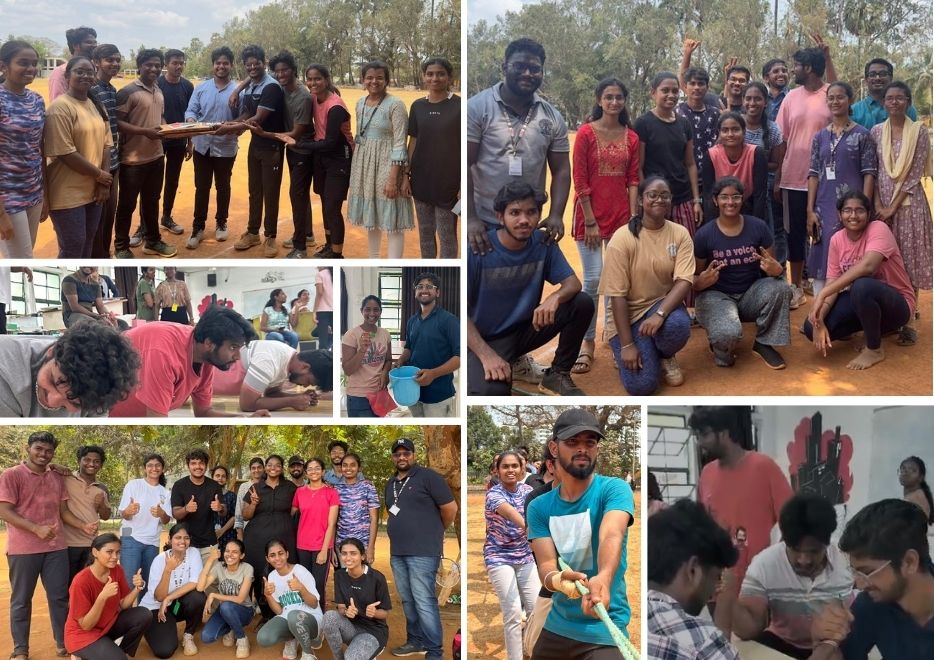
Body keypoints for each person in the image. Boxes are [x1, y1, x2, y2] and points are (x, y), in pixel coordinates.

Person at [526, 408, 635, 659]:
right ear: (554, 449)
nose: (582, 448)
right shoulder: (539, 507)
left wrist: (603, 579)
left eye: (590, 442)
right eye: (572, 442)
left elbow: (611, 534)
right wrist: (557, 581)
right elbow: (545, 565)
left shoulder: (614, 489)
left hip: (603, 627)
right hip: (557, 626)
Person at [467, 182, 593, 396]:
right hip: (486, 340)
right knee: (493, 392)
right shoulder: (478, 250)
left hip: (525, 330)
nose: (524, 220)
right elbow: (459, 315)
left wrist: (554, 297)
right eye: (515, 213)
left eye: (531, 212)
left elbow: (573, 284)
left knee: (581, 303)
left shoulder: (542, 242)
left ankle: (557, 374)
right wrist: (487, 356)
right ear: (500, 217)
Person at [466, 37, 570, 256]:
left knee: (525, 284)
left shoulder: (552, 117)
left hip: (528, 225)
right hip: (485, 226)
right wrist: (470, 218)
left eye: (535, 68)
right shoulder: (477, 108)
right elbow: (463, 164)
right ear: (504, 67)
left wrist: (556, 215)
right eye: (519, 66)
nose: (527, 73)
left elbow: (561, 170)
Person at [598, 176, 694, 394]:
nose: (659, 200)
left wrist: (659, 314)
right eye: (652, 195)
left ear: (671, 200)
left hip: (661, 306)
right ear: (640, 200)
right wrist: (627, 345)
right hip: (627, 317)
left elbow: (684, 281)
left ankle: (665, 354)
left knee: (678, 326)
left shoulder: (680, 233)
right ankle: (643, 349)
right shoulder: (622, 239)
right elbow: (617, 296)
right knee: (642, 386)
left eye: (664, 195)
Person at [0, 431, 92, 659]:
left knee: (59, 597)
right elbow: (3, 510)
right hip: (23, 550)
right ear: (27, 448)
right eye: (38, 448)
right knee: (21, 600)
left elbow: (63, 512)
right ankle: (20, 649)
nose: (43, 454)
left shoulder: (56, 477)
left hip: (56, 548)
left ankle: (63, 642)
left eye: (49, 451)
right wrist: (35, 528)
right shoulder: (12, 475)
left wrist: (83, 526)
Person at [571, 77, 641, 375]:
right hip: (589, 217)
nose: (614, 102)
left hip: (621, 217)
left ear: (624, 101)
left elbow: (634, 179)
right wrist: (589, 220)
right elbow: (580, 178)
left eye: (619, 97)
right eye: (608, 97)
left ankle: (613, 340)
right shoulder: (586, 134)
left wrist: (634, 215)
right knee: (593, 280)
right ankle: (586, 342)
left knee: (616, 284)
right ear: (599, 100)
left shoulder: (632, 137)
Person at [729, 494, 854, 658]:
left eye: (814, 551)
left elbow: (847, 622)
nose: (804, 560)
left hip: (832, 641)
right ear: (784, 540)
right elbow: (748, 631)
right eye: (795, 549)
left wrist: (824, 648)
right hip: (782, 642)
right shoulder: (764, 564)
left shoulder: (845, 562)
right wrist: (728, 595)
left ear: (827, 542)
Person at [803, 191, 914, 371]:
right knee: (810, 327)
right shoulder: (837, 240)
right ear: (840, 214)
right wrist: (819, 317)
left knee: (862, 286)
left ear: (868, 214)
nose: (853, 215)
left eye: (859, 210)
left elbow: (868, 266)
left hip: (898, 304)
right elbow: (833, 283)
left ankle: (874, 349)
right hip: (863, 302)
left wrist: (822, 293)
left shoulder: (878, 228)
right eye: (847, 210)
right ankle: (874, 330)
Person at [811, 499, 934, 658]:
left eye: (867, 572)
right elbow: (843, 655)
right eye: (856, 572)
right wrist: (823, 641)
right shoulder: (872, 603)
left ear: (909, 562)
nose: (860, 585)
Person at [690, 406, 793, 592]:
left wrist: (775, 564)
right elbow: (701, 526)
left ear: (723, 432)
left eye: (704, 435)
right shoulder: (707, 473)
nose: (700, 442)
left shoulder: (764, 467)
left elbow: (793, 521)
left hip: (755, 584)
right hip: (715, 583)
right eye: (697, 436)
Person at [693, 176, 791, 369]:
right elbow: (694, 279)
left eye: (736, 196)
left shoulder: (758, 227)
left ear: (742, 199)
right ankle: (721, 347)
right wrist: (702, 282)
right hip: (716, 296)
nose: (730, 202)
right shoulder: (704, 235)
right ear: (715, 200)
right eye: (724, 197)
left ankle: (763, 343)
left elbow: (773, 268)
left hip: (750, 295)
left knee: (781, 288)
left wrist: (777, 270)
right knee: (727, 336)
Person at [108, 305, 264, 417]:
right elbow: (156, 421)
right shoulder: (164, 353)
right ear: (209, 343)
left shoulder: (205, 357)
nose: (237, 357)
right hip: (100, 405)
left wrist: (241, 420)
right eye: (233, 348)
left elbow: (203, 412)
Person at [384, 438, 458, 659]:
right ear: (393, 458)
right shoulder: (390, 483)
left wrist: (435, 531)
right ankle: (415, 641)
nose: (402, 457)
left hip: (423, 552)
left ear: (413, 455)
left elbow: (450, 509)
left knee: (424, 600)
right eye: (397, 454)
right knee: (407, 599)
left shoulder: (428, 477)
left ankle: (434, 651)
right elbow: (393, 511)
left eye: (406, 453)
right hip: (397, 552)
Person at [871, 80, 932, 334]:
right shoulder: (875, 132)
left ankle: (907, 316)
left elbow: (914, 174)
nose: (894, 102)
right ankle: (889, 311)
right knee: (885, 260)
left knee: (907, 259)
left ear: (908, 102)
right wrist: (877, 205)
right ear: (883, 102)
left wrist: (891, 208)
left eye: (899, 98)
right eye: (890, 98)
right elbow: (873, 171)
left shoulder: (919, 132)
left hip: (908, 205)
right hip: (882, 203)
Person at [806, 81, 877, 294]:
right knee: (823, 251)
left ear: (850, 100)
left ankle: (848, 313)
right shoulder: (820, 137)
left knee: (852, 251)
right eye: (831, 97)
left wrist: (864, 207)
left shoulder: (863, 134)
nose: (835, 101)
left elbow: (869, 173)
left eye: (840, 97)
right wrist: (810, 210)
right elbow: (813, 173)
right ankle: (820, 310)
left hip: (853, 206)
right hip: (824, 205)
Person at [646, 499, 740, 660]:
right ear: (693, 570)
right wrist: (726, 602)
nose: (713, 593)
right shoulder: (702, 646)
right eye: (717, 577)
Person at [776, 47, 832, 309]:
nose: (792, 70)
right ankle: (796, 286)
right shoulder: (790, 98)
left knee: (825, 232)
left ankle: (826, 284)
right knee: (794, 233)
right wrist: (778, 176)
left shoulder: (831, 95)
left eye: (796, 65)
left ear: (808, 68)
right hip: (793, 178)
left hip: (826, 180)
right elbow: (781, 140)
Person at [44, 56, 113, 258]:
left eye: (89, 72)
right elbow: (65, 152)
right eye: (79, 71)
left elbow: (107, 145)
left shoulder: (95, 105)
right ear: (67, 75)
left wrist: (103, 182)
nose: (85, 75)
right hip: (67, 192)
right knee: (73, 247)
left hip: (94, 189)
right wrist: (101, 176)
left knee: (88, 242)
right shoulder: (59, 108)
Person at [0, 319, 139, 417]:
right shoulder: (5, 373)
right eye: (53, 381)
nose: (52, 402)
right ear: (52, 352)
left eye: (74, 403)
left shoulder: (99, 394)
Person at [347, 60, 414, 258]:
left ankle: (394, 261)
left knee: (392, 220)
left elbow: (400, 143)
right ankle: (373, 258)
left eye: (379, 77)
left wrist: (394, 178)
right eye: (369, 77)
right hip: (365, 165)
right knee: (372, 215)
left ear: (386, 80)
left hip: (388, 166)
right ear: (362, 80)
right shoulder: (360, 103)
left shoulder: (396, 105)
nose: (374, 81)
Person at [116, 48, 177, 258]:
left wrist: (167, 129)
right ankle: (121, 246)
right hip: (133, 160)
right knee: (127, 204)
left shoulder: (158, 91)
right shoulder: (127, 92)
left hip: (156, 157)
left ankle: (152, 241)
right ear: (140, 66)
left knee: (152, 202)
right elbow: (117, 123)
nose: (154, 68)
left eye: (157, 65)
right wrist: (144, 132)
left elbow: (160, 119)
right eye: (149, 65)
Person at [484, 450, 540, 660]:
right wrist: (529, 527)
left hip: (525, 556)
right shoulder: (493, 493)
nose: (510, 470)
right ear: (497, 471)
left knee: (537, 609)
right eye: (505, 466)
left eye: (514, 466)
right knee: (514, 613)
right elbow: (508, 511)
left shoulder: (528, 491)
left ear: (522, 468)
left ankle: (533, 652)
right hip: (499, 557)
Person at [403, 56, 461, 258]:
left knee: (446, 235)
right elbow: (414, 142)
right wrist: (405, 175)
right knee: (425, 234)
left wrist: (463, 185)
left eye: (440, 74)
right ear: (424, 77)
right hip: (421, 180)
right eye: (430, 74)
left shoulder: (460, 107)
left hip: (449, 184)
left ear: (449, 77)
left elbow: (466, 148)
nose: (435, 78)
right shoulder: (417, 106)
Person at [233, 44, 287, 257]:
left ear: (264, 63)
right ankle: (253, 232)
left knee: (270, 193)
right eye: (249, 64)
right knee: (254, 191)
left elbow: (258, 118)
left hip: (271, 145)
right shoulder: (250, 87)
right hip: (256, 145)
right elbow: (247, 113)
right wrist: (230, 124)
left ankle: (271, 236)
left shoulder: (271, 87)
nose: (253, 67)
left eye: (256, 63)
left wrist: (230, 128)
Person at [634, 72, 702, 238]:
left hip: (682, 197)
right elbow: (638, 166)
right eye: (665, 90)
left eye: (675, 91)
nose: (671, 95)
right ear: (653, 93)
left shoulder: (684, 124)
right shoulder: (643, 123)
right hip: (655, 200)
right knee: (656, 248)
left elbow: (690, 164)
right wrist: (644, 199)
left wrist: (696, 200)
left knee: (685, 245)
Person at [64, 533, 152, 659]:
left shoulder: (117, 570)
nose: (115, 557)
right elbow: (86, 625)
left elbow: (123, 604)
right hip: (82, 635)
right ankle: (81, 654)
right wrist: (102, 597)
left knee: (144, 614)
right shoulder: (81, 581)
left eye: (118, 552)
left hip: (107, 626)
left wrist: (137, 589)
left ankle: (119, 652)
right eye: (109, 552)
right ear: (95, 552)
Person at [184, 46, 238, 249]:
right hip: (202, 146)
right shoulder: (202, 88)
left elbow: (243, 116)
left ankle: (221, 222)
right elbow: (191, 110)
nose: (221, 66)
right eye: (218, 63)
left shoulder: (237, 90)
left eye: (225, 63)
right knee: (202, 187)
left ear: (231, 65)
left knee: (223, 187)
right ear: (213, 65)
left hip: (225, 147)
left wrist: (232, 128)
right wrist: (190, 119)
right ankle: (198, 227)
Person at [266, 51, 316, 259]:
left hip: (303, 150)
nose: (280, 74)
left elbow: (296, 134)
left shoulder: (302, 96)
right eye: (277, 71)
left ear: (293, 70)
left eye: (284, 70)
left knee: (297, 195)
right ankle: (308, 234)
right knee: (301, 195)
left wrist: (265, 134)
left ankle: (300, 247)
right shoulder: (281, 90)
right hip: (292, 150)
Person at [0, 40, 45, 258]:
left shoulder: (37, 100)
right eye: (23, 63)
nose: (30, 68)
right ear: (4, 66)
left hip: (33, 190)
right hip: (7, 196)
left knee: (25, 253)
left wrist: (43, 194)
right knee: (20, 260)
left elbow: (38, 148)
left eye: (34, 63)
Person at [304, 63, 353, 258]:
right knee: (325, 203)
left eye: (318, 79)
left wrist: (301, 145)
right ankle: (329, 244)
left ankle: (337, 253)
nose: (313, 83)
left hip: (339, 156)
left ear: (326, 80)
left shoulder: (336, 106)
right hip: (322, 156)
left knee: (332, 207)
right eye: (310, 79)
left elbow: (332, 142)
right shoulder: (314, 98)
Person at [394, 272, 460, 416]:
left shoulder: (449, 321)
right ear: (415, 293)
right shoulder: (412, 321)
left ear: (437, 292)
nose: (424, 290)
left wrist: (433, 374)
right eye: (420, 287)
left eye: (429, 286)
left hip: (438, 394)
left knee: (437, 432)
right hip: (413, 390)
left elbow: (459, 358)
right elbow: (409, 347)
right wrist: (401, 359)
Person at [139, 523, 208, 658]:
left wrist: (169, 599)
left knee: (198, 597)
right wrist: (168, 569)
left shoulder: (193, 553)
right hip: (156, 608)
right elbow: (159, 597)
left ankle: (188, 635)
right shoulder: (160, 560)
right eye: (178, 537)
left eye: (186, 538)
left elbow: (195, 582)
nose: (182, 541)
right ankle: (149, 628)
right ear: (170, 540)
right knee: (164, 651)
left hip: (175, 604)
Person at [242, 455, 299, 618]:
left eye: (278, 465)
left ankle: (287, 612)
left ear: (282, 468)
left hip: (285, 538)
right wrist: (253, 503)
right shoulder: (255, 488)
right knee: (261, 575)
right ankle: (266, 615)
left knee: (286, 572)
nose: (273, 467)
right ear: (265, 467)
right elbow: (245, 515)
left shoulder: (290, 488)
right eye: (270, 464)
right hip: (256, 540)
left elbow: (297, 509)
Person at [322, 537, 393, 660]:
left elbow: (384, 613)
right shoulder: (339, 575)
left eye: (353, 553)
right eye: (344, 553)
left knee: (351, 657)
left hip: (373, 632)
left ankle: (366, 652)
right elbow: (341, 608)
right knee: (329, 617)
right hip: (351, 628)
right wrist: (345, 612)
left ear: (363, 556)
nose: (348, 558)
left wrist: (374, 612)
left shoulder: (377, 578)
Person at [211, 340, 332, 412]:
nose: (306, 385)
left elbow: (272, 394)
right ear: (305, 367)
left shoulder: (287, 360)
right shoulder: (270, 360)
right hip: (202, 380)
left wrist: (299, 397)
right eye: (309, 381)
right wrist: (291, 401)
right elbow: (247, 405)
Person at [117, 453, 172, 602]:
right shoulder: (134, 485)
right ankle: (123, 618)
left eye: (157, 465)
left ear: (162, 468)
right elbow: (124, 514)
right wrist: (129, 511)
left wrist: (161, 513)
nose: (154, 468)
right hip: (131, 538)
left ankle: (142, 618)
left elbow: (166, 520)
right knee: (128, 582)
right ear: (145, 468)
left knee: (147, 583)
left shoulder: (165, 493)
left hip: (152, 542)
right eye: (150, 465)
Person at [742, 81, 787, 264]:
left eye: (757, 99)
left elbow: (776, 163)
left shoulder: (773, 129)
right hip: (739, 187)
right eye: (748, 98)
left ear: (765, 102)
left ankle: (775, 269)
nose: (752, 103)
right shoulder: (735, 124)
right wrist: (758, 159)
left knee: (769, 229)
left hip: (765, 188)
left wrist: (754, 161)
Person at [258, 538, 323, 660]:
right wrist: (268, 595)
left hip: (311, 618)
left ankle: (308, 653)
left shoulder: (300, 571)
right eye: (272, 555)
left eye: (280, 553)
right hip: (289, 618)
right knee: (263, 638)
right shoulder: (271, 577)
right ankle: (292, 638)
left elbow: (314, 604)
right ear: (267, 559)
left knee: (294, 616)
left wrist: (301, 589)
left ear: (287, 554)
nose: (277, 558)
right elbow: (279, 611)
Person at [154, 48, 193, 238]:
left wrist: (190, 142)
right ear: (166, 65)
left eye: (181, 63)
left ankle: (166, 217)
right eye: (174, 63)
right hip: (159, 141)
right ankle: (146, 224)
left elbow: (191, 116)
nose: (178, 66)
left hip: (179, 141)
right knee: (153, 183)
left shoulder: (187, 86)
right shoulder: (156, 84)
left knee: (172, 181)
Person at [702, 112, 768, 222]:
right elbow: (709, 194)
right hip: (720, 209)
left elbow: (760, 195)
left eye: (735, 129)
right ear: (719, 133)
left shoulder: (756, 153)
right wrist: (712, 226)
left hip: (749, 206)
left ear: (744, 132)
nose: (730, 134)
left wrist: (756, 225)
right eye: (725, 130)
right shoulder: (711, 155)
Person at [89, 43, 122, 258]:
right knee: (97, 217)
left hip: (114, 161)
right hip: (99, 164)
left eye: (117, 60)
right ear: (97, 62)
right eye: (110, 59)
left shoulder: (111, 89)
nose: (115, 64)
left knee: (109, 214)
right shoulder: (91, 90)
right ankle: (96, 255)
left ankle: (104, 252)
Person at [292, 457, 339, 606]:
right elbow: (291, 514)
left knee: (318, 585)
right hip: (302, 545)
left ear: (323, 471)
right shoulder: (300, 492)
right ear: (306, 473)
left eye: (317, 468)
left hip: (321, 546)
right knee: (303, 584)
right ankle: (305, 617)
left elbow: (332, 524)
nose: (314, 471)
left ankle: (319, 618)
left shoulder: (331, 493)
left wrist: (325, 550)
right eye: (310, 469)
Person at [197, 539, 254, 658]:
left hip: (244, 611)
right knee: (207, 637)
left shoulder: (247, 568)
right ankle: (232, 627)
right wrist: (211, 560)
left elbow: (240, 599)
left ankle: (242, 638)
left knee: (226, 606)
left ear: (242, 555)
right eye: (227, 551)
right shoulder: (219, 567)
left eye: (235, 552)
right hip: (224, 611)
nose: (230, 555)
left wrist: (214, 595)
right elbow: (200, 587)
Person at [63, 445, 112, 582]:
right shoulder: (66, 479)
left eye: (96, 461)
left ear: (101, 465)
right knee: (68, 584)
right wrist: (56, 465)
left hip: (91, 544)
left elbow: (106, 516)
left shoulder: (101, 488)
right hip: (68, 543)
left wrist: (101, 504)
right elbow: (45, 466)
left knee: (86, 582)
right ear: (79, 461)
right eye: (87, 459)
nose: (91, 464)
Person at [170, 448, 227, 564]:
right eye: (193, 463)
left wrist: (220, 507)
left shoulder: (214, 485)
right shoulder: (179, 485)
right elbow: (175, 513)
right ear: (188, 465)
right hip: (185, 543)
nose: (198, 466)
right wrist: (186, 509)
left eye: (201, 463)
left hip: (209, 544)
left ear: (206, 465)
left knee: (210, 581)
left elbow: (224, 511)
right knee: (188, 581)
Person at [342, 295, 393, 417]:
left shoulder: (385, 334)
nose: (372, 313)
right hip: (359, 397)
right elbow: (348, 370)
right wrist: (362, 350)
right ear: (362, 311)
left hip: (379, 394)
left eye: (376, 310)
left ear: (380, 311)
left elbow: (388, 360)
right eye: (367, 309)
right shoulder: (351, 335)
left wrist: (384, 373)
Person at [676, 57, 721, 188]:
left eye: (701, 84)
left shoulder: (716, 114)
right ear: (685, 86)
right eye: (692, 83)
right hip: (683, 179)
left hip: (711, 177)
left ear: (707, 87)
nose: (697, 87)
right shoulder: (676, 113)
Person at [334, 453, 380, 563]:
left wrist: (370, 547)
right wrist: (332, 549)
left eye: (352, 465)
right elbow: (333, 521)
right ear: (341, 468)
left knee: (363, 579)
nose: (348, 468)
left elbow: (374, 519)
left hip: (362, 544)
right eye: (345, 465)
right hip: (342, 546)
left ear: (359, 468)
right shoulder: (335, 489)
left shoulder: (368, 486)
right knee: (343, 579)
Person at [851, 58, 919, 129]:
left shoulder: (907, 108)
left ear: (891, 78)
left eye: (882, 74)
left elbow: (913, 136)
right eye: (872, 74)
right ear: (866, 80)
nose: (877, 78)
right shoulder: (854, 111)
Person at [47, 26, 97, 101]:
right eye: (89, 42)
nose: (94, 46)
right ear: (75, 46)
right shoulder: (60, 72)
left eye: (95, 42)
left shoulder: (94, 70)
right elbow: (58, 104)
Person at [235, 457, 265, 540]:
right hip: (248, 532)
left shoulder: (268, 486)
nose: (256, 470)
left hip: (266, 531)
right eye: (253, 468)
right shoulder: (244, 487)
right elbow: (238, 513)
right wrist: (240, 538)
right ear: (250, 470)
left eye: (259, 467)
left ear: (264, 469)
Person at [900, 456, 934, 524]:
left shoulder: (914, 498)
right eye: (903, 468)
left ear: (921, 477)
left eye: (912, 470)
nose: (906, 473)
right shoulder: (918, 495)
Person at [212, 466, 239, 550]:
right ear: (212, 477)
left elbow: (235, 516)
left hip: (229, 536)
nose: (220, 478)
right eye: (217, 476)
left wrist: (221, 531)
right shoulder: (206, 495)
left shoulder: (232, 496)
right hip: (209, 537)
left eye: (223, 476)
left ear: (226, 479)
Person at [313, 267, 333, 350]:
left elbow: (320, 293)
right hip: (335, 309)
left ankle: (323, 359)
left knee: (323, 341)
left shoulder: (320, 274)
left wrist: (314, 311)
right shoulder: (334, 273)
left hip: (322, 310)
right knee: (335, 338)